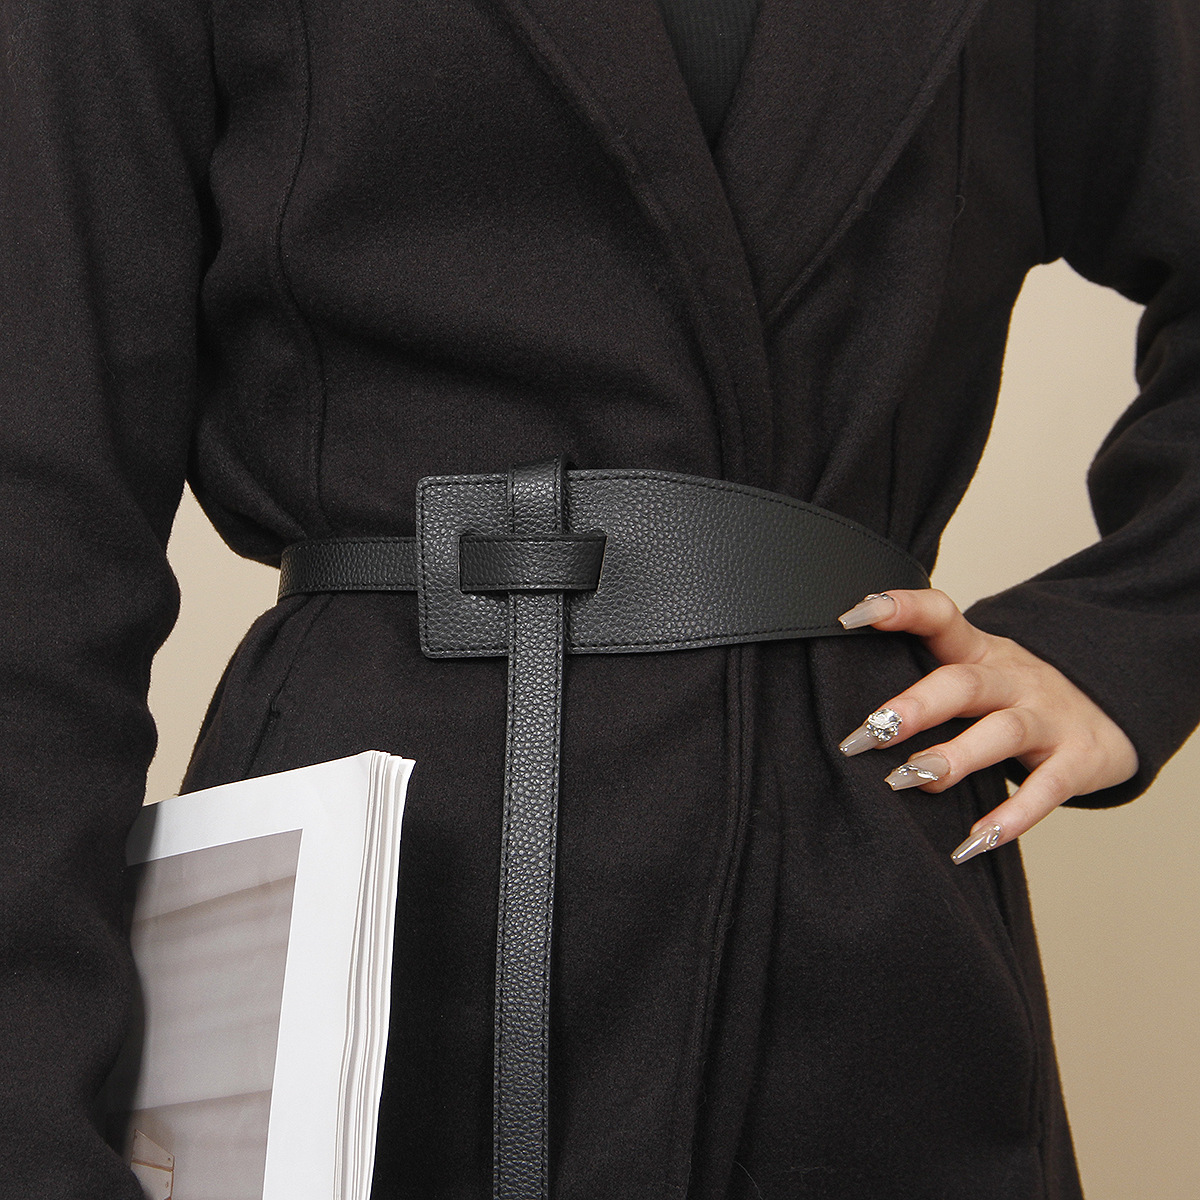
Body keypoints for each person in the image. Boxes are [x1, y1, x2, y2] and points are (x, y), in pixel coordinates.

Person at [1, 0, 1197, 1197]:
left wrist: (1123, 641)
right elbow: (38, 526)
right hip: (369, 913)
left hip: (864, 906)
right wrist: (31, 1117)